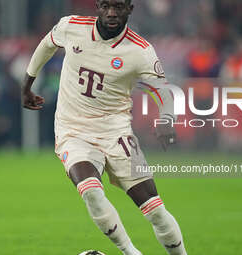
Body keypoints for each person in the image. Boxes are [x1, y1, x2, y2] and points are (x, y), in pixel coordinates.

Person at [22, 1, 187, 254]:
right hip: (73, 130)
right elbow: (47, 44)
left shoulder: (141, 51)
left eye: (119, 7)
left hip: (116, 133)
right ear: (98, 6)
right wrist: (27, 85)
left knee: (154, 208)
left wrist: (166, 120)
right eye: (107, 5)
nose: (112, 12)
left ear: (130, 9)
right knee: (90, 191)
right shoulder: (72, 27)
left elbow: (162, 92)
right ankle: (131, 252)